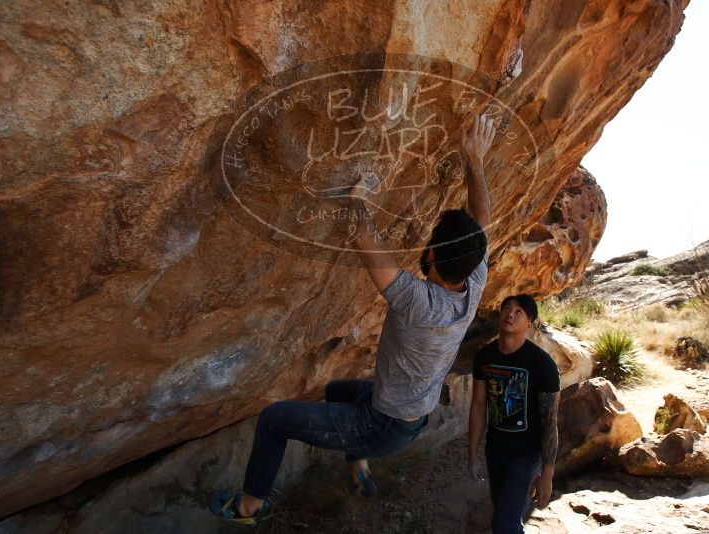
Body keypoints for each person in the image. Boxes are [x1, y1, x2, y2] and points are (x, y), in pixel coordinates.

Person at [207, 114, 498, 525]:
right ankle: (358, 465)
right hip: (412, 414)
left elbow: (364, 238)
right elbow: (481, 219)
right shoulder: (472, 282)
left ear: (431, 255)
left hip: (381, 426)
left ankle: (248, 507)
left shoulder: (419, 302)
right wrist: (475, 159)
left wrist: (355, 191)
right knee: (339, 389)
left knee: (273, 421)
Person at [468, 294, 561, 534]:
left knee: (503, 524)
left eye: (519, 311)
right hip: (495, 450)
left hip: (525, 456)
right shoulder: (485, 357)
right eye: (507, 308)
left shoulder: (542, 365)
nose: (511, 313)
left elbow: (549, 421)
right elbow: (478, 405)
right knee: (504, 512)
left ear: (530, 324)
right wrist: (473, 453)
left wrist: (547, 474)